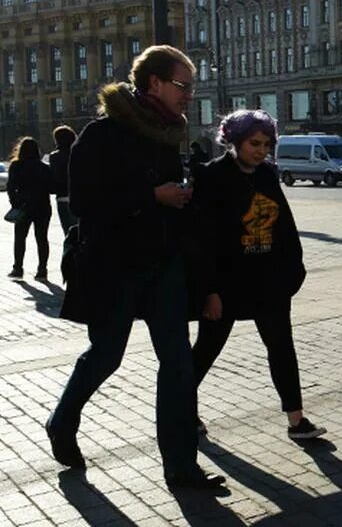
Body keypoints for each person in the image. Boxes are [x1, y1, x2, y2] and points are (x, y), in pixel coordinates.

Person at [47, 45, 225, 490]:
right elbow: (84, 204)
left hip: (163, 265)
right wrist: (152, 196)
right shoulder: (103, 135)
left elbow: (170, 201)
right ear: (154, 84)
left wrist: (183, 198)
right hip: (115, 266)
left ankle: (182, 468)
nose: (189, 94)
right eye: (183, 85)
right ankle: (62, 420)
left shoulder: (168, 134)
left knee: (179, 363)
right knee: (107, 357)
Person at [189, 109, 325, 441]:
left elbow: (285, 225)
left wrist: (294, 270)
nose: (261, 150)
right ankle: (183, 410)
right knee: (207, 349)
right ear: (232, 141)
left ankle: (297, 421)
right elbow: (201, 240)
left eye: (266, 144)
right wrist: (209, 290)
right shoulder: (211, 176)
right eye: (254, 143)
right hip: (226, 284)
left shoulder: (266, 174)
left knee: (282, 348)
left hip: (269, 282)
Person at [6, 137, 54, 280]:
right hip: (42, 206)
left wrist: (15, 203)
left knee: (20, 238)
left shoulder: (16, 166)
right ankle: (42, 270)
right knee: (42, 238)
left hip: (23, 207)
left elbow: (10, 187)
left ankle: (18, 268)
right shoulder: (44, 167)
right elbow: (52, 187)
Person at [48, 126, 78, 236]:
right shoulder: (79, 152)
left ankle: (70, 252)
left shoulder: (54, 156)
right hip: (79, 195)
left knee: (68, 232)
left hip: (62, 196)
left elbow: (54, 177)